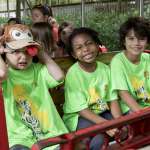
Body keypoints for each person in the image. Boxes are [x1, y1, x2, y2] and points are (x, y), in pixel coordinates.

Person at [0, 24, 68, 150]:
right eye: (15, 51)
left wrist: (41, 52)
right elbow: (2, 74)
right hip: (19, 138)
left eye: (28, 51)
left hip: (49, 134)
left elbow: (59, 77)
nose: (23, 57)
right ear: (5, 51)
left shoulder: (38, 70)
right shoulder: (5, 76)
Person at [63, 27, 121, 150]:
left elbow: (112, 99)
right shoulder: (73, 74)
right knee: (100, 138)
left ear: (97, 45)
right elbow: (82, 110)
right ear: (74, 54)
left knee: (122, 128)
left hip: (102, 113)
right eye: (79, 48)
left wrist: (119, 123)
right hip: (80, 118)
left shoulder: (105, 69)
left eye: (89, 43)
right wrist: (106, 125)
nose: (86, 49)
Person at [110, 17, 150, 115]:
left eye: (141, 39)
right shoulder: (118, 61)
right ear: (124, 41)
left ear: (147, 41)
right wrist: (143, 114)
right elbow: (123, 94)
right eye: (131, 39)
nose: (136, 43)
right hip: (130, 109)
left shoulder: (148, 58)